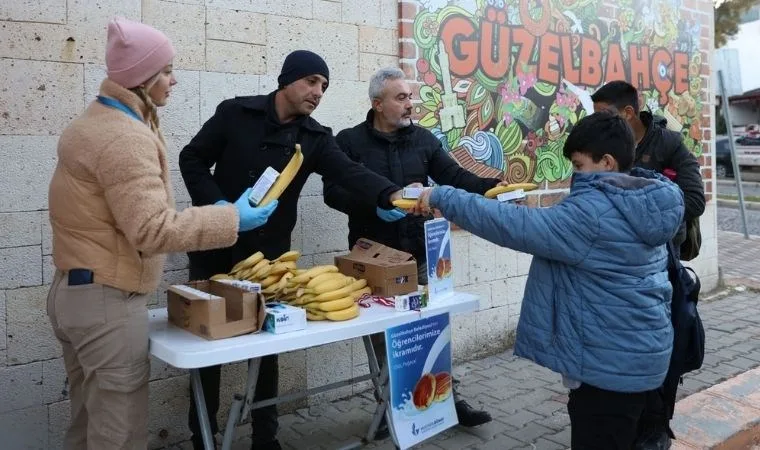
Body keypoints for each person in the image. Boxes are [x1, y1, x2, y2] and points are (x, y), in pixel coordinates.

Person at [47, 18, 269, 449]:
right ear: (141, 79)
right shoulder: (124, 137)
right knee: (119, 435)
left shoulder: (93, 122)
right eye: (165, 70)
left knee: (87, 423)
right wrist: (232, 220)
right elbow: (151, 229)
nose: (174, 79)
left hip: (74, 295)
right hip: (106, 303)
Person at [414, 111, 685, 449]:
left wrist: (443, 197)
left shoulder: (592, 215)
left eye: (578, 165)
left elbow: (513, 226)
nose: (574, 174)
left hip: (609, 372)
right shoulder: (646, 200)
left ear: (607, 162)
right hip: (645, 359)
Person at [179, 51, 404, 450]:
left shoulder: (314, 139)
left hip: (267, 259)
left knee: (268, 348)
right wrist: (220, 209)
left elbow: (350, 173)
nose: (318, 92)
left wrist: (389, 194)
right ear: (287, 80)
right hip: (214, 248)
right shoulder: (235, 114)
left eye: (324, 86)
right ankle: (203, 437)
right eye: (312, 81)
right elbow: (191, 158)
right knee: (206, 349)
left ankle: (266, 437)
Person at [323, 67, 495, 433]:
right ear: (377, 103)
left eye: (410, 97)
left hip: (419, 255)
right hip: (372, 261)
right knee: (385, 337)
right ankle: (389, 407)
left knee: (432, 329)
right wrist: (374, 205)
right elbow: (332, 192)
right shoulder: (349, 141)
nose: (410, 104)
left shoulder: (423, 139)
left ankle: (449, 400)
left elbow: (457, 177)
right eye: (401, 98)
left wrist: (495, 189)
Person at [592, 81, 706, 449]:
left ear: (627, 113)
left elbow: (694, 199)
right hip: (614, 267)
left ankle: (656, 426)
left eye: (604, 116)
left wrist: (649, 226)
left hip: (662, 266)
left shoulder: (668, 144)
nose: (599, 125)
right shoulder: (604, 147)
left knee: (663, 348)